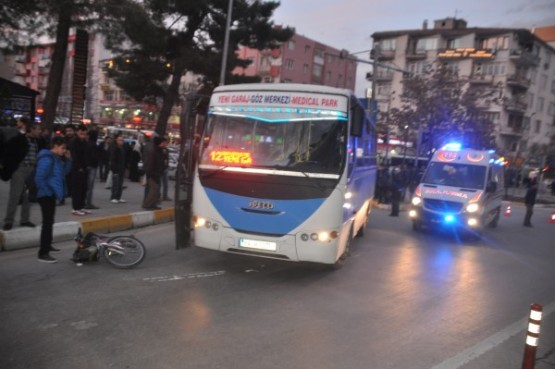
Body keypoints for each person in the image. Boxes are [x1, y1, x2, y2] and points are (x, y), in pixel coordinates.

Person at [35, 136, 72, 263]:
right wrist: (48, 191)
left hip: (50, 194)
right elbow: (39, 178)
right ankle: (43, 252)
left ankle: (48, 245)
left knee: (49, 222)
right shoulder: (47, 158)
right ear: (55, 146)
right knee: (47, 223)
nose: (64, 151)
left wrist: (68, 160)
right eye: (62, 148)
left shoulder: (56, 158)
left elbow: (63, 174)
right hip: (45, 195)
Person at [1, 121, 42, 230]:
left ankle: (25, 219)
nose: (40, 131)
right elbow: (7, 153)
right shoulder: (18, 140)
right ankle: (9, 221)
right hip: (20, 170)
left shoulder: (38, 141)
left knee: (27, 196)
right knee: (15, 195)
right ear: (31, 129)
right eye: (38, 129)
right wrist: (10, 167)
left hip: (31, 170)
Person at [142, 136, 167, 210]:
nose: (166, 144)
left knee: (156, 190)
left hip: (158, 173)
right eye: (164, 143)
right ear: (160, 143)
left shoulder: (161, 150)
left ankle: (153, 204)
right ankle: (147, 204)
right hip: (153, 174)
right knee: (154, 189)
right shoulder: (153, 151)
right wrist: (151, 173)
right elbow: (150, 163)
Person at [69, 124, 89, 216]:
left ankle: (81, 206)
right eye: (81, 133)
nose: (83, 135)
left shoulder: (84, 142)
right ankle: (75, 208)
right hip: (77, 169)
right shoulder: (74, 141)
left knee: (84, 188)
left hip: (84, 168)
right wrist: (79, 167)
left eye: (84, 133)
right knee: (77, 189)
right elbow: (75, 156)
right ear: (77, 132)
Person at [84, 128, 100, 209]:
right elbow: (95, 157)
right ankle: (88, 203)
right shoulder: (94, 145)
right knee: (90, 186)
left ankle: (84, 202)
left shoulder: (87, 144)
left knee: (86, 185)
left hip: (86, 166)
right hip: (92, 166)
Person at [109, 134, 127, 203]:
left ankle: (118, 197)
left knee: (120, 184)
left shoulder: (122, 148)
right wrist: (114, 170)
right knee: (115, 184)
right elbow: (113, 160)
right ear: (116, 141)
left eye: (122, 140)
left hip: (121, 168)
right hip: (116, 169)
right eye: (120, 140)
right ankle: (113, 197)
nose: (121, 141)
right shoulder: (114, 148)